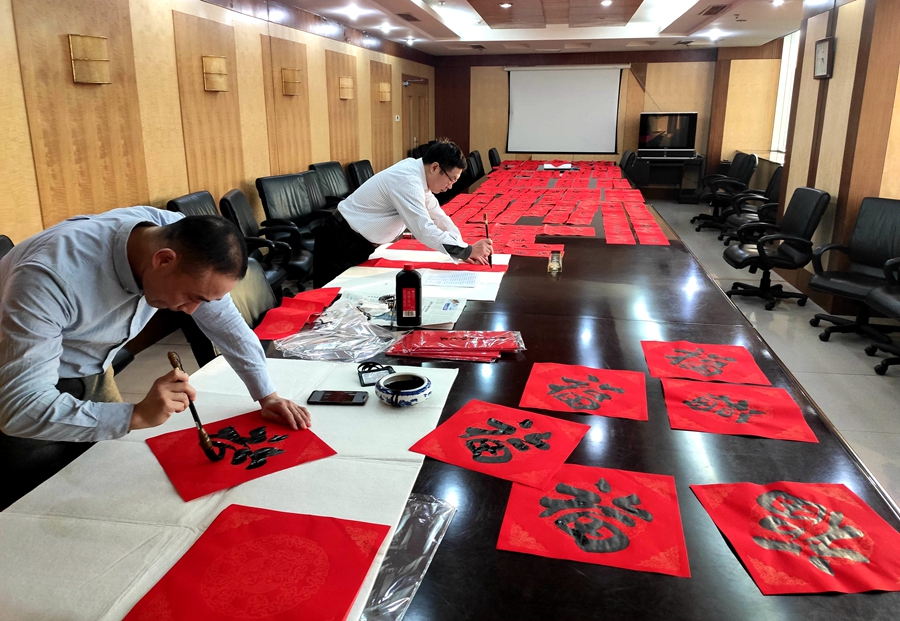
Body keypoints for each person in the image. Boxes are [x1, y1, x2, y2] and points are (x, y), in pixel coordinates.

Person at [0, 207, 312, 507]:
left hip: (93, 365)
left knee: (105, 475)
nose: (192, 311)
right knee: (36, 500)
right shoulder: (47, 277)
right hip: (15, 373)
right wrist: (134, 415)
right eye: (192, 298)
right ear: (163, 260)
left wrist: (267, 395)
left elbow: (226, 325)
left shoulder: (176, 237)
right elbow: (20, 408)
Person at [313, 139, 493, 287]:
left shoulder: (418, 174)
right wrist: (465, 251)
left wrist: (463, 248)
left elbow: (438, 216)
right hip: (339, 242)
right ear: (435, 167)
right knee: (328, 304)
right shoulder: (407, 180)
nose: (450, 186)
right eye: (451, 179)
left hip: (355, 241)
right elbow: (423, 229)